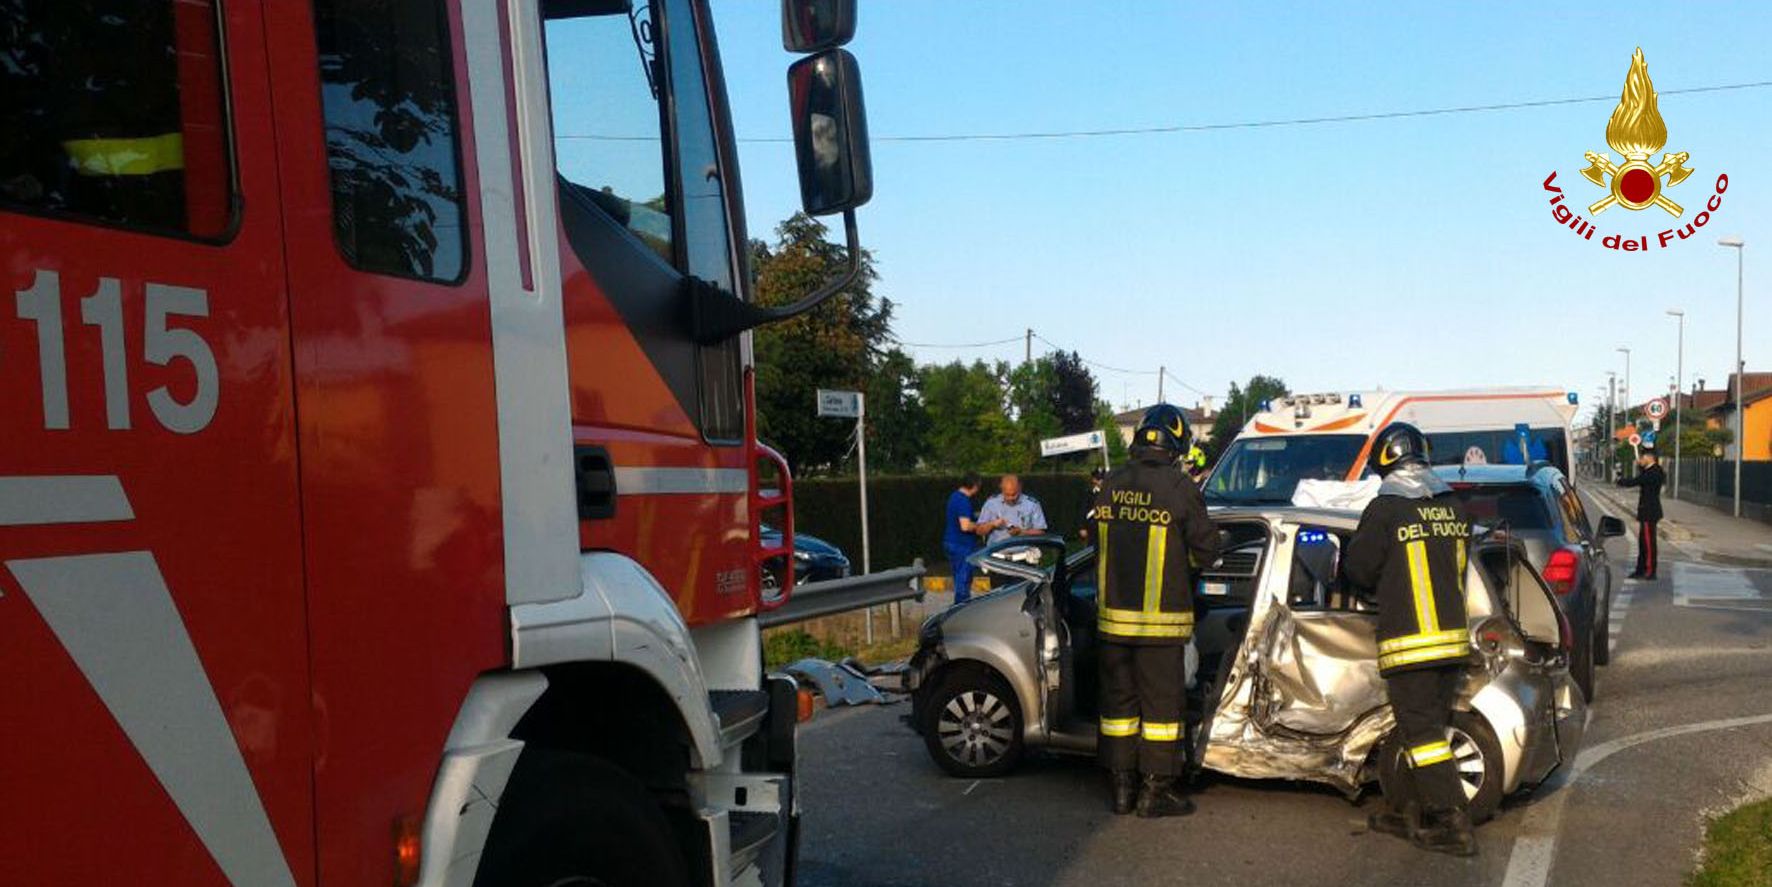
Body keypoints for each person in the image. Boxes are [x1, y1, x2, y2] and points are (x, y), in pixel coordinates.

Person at [1343, 422, 1477, 857]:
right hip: (1452, 642)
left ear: (1385, 460)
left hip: (1410, 644)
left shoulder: (1385, 510)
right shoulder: (1453, 506)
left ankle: (1452, 822)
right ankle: (1409, 810)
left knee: (1422, 735)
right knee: (1421, 728)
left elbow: (1360, 571)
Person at [1093, 404, 1220, 818]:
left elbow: (1098, 544)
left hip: (1113, 624)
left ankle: (1121, 790)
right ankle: (1155, 792)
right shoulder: (1180, 488)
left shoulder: (1110, 484)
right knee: (1162, 711)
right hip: (1161, 626)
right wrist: (1182, 565)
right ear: (1177, 444)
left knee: (1119, 709)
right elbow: (1208, 550)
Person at [1618, 448, 1665, 580]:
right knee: (1642, 542)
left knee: (1649, 543)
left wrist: (1620, 481)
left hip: (1650, 511)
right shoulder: (1650, 471)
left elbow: (1636, 481)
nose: (1641, 460)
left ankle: (1650, 570)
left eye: (1643, 457)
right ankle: (1640, 569)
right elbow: (1641, 478)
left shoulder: (1654, 472)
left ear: (1650, 457)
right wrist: (1641, 467)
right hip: (1646, 511)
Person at [943, 474, 984, 603]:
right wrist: (980, 526)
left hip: (950, 541)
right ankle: (961, 607)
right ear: (975, 486)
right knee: (964, 579)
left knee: (958, 577)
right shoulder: (964, 501)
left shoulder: (954, 496)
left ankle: (960, 605)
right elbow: (965, 526)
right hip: (962, 545)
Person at [976, 474, 1048, 545]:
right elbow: (979, 531)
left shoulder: (1032, 504)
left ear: (1020, 488)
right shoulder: (991, 504)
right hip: (996, 552)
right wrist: (992, 524)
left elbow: (1041, 532)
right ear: (1002, 489)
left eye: (1014, 494)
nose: (1011, 498)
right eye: (1007, 495)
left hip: (1024, 552)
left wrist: (1022, 532)